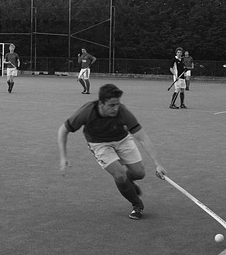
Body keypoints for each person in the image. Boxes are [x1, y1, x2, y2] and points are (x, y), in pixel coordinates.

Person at [57, 83, 167, 220]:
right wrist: (63, 156)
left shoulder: (123, 112)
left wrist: (158, 164)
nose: (116, 108)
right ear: (101, 103)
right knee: (119, 175)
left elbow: (143, 137)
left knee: (139, 173)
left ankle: (128, 182)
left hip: (122, 139)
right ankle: (137, 204)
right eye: (111, 105)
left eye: (117, 104)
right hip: (98, 144)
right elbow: (63, 130)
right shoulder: (87, 111)